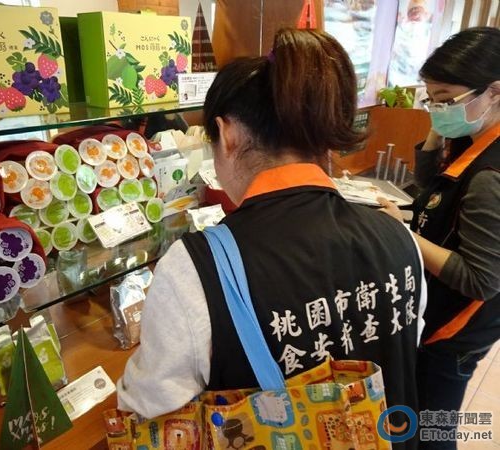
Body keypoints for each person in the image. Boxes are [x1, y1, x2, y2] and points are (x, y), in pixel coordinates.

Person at [117, 28, 426, 449]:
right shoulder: (399, 237)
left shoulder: (195, 269)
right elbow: (403, 345)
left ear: (227, 135)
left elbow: (151, 406)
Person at [378, 27, 500, 450]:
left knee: (434, 427)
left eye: (446, 99)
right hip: (451, 317)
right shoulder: (477, 139)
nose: (438, 109)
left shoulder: (489, 175)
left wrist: (403, 233)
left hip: (458, 329)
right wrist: (438, 127)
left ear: (494, 91)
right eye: (431, 99)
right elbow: (434, 190)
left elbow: (480, 279)